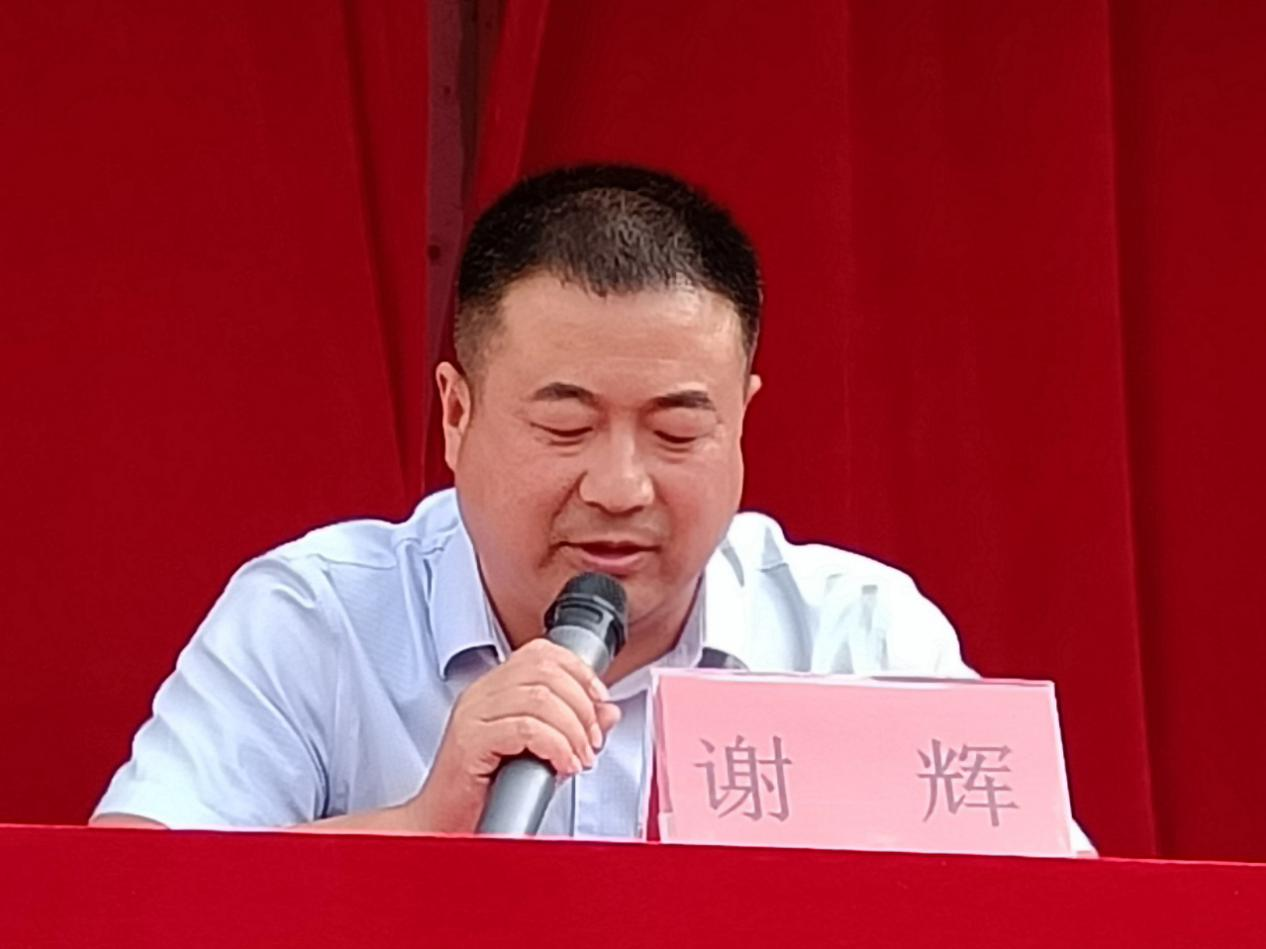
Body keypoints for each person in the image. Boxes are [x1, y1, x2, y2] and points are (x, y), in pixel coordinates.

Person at [91, 164, 980, 837]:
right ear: (457, 414)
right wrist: (420, 827)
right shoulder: (316, 618)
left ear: (741, 419)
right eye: (566, 427)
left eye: (676, 432)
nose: (620, 488)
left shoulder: (861, 639)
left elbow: (1028, 904)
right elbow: (125, 903)